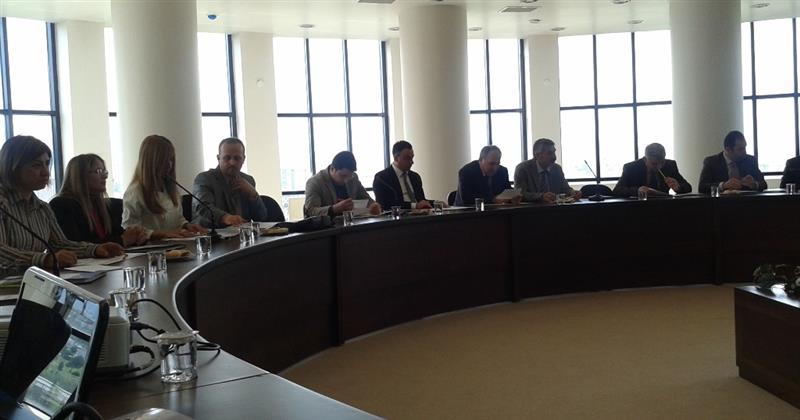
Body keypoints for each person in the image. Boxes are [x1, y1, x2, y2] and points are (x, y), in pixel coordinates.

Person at [0, 136, 123, 272]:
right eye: (36, 165)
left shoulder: (42, 207)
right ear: (12, 167)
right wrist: (44, 259)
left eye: (47, 164)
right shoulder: (3, 204)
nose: (46, 172)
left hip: (32, 279)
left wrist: (95, 249)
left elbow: (59, 244)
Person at [50, 154, 148, 247]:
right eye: (98, 171)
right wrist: (122, 240)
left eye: (105, 172)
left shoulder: (107, 206)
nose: (105, 176)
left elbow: (118, 234)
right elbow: (73, 245)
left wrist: (137, 236)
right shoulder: (61, 205)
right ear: (80, 176)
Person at [122, 135, 207, 240]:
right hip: (152, 248)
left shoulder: (170, 189)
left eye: (171, 160)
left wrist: (186, 225)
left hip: (176, 245)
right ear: (151, 162)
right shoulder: (135, 192)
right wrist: (163, 234)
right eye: (164, 160)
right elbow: (130, 228)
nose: (169, 165)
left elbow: (177, 219)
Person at [192, 137, 267, 228]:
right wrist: (225, 217)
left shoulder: (248, 180)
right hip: (210, 233)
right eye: (227, 158)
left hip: (242, 234)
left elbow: (261, 217)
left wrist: (253, 195)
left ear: (243, 159)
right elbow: (203, 208)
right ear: (218, 158)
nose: (232, 162)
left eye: (237, 158)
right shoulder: (204, 178)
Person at [304, 151, 381, 218]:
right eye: (343, 176)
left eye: (349, 176)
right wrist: (334, 208)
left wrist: (375, 206)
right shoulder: (315, 182)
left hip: (351, 224)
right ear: (332, 169)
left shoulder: (353, 178)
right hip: (326, 227)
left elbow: (367, 199)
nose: (346, 180)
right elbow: (311, 211)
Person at [514, 138, 581, 203]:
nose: (554, 157)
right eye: (549, 153)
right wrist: (541, 197)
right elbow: (520, 194)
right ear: (537, 155)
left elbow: (565, 188)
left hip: (555, 208)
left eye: (554, 152)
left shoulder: (557, 169)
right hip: (532, 209)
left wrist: (572, 192)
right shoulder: (523, 169)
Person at [698, 130, 766, 194]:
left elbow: (763, 184)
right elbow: (702, 187)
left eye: (745, 147)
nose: (745, 152)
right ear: (728, 150)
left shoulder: (750, 160)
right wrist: (723, 185)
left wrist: (754, 184)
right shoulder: (712, 162)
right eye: (740, 149)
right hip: (721, 202)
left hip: (746, 201)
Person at [613, 143, 692, 197]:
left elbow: (688, 187)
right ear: (645, 159)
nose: (659, 167)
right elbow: (617, 191)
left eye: (662, 162)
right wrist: (637, 190)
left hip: (663, 208)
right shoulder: (631, 168)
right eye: (654, 164)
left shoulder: (670, 165)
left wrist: (678, 187)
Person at [373, 141, 433, 210]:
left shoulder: (415, 177)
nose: (412, 162)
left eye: (412, 158)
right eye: (407, 158)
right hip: (398, 215)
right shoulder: (381, 178)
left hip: (421, 214)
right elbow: (386, 204)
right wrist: (414, 206)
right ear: (396, 158)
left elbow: (421, 201)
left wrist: (436, 203)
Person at [454, 145, 520, 206]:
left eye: (498, 163)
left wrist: (513, 198)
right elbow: (467, 199)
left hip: (495, 210)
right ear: (481, 160)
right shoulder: (466, 172)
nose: (495, 168)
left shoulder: (502, 171)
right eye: (491, 164)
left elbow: (507, 190)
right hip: (467, 212)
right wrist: (493, 200)